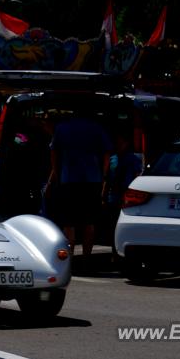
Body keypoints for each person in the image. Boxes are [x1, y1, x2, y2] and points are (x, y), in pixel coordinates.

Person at [46, 111, 112, 262]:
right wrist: (103, 176)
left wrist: (56, 175)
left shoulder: (62, 128)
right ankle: (86, 258)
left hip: (68, 180)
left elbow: (54, 153)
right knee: (89, 222)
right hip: (92, 180)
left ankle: (69, 260)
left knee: (69, 223)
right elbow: (107, 153)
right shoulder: (96, 128)